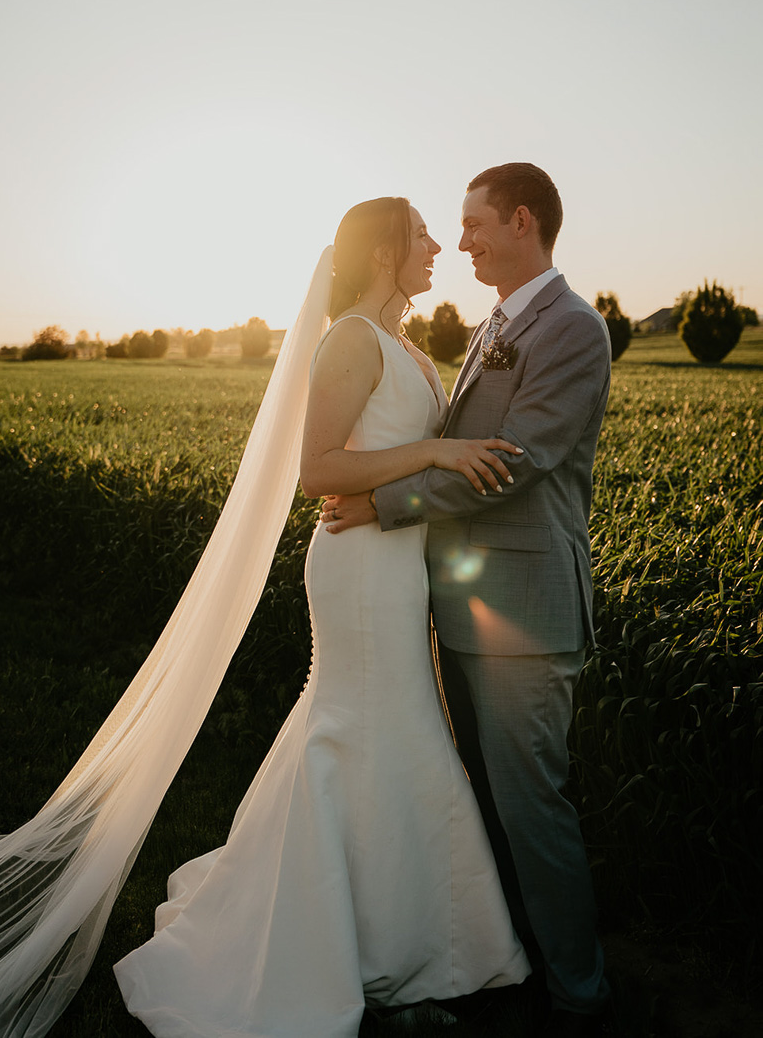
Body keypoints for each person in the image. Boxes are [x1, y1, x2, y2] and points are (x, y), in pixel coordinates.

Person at [113, 196, 530, 1036]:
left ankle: (398, 943)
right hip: (354, 569)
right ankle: (384, 953)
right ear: (381, 251)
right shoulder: (349, 337)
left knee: (388, 731)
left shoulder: (406, 344)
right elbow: (319, 469)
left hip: (397, 564)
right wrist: (436, 449)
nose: (436, 245)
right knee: (375, 728)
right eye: (419, 234)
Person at [323, 165, 613, 1037]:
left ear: (522, 220)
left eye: (475, 223)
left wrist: (385, 504)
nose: (460, 241)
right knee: (486, 805)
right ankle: (511, 963)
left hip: (525, 610)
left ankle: (578, 997)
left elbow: (509, 462)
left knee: (532, 806)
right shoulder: (497, 322)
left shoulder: (570, 328)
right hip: (462, 604)